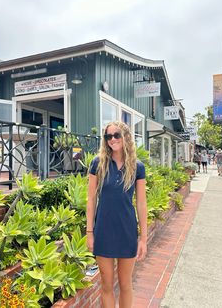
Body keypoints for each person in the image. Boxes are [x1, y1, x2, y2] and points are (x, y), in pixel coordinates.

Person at [86, 121, 147, 308]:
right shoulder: (98, 163)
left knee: (126, 284)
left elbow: (141, 203)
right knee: (106, 285)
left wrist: (143, 238)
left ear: (125, 136)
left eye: (116, 135)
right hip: (103, 231)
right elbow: (91, 200)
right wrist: (89, 232)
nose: (112, 139)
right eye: (108, 136)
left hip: (127, 231)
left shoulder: (138, 167)